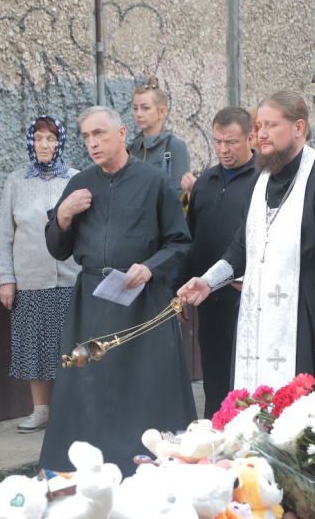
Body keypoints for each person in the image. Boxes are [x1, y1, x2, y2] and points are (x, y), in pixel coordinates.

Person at [177, 90, 315, 403]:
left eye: (270, 125)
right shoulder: (258, 180)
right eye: (258, 125)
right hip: (259, 316)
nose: (260, 133)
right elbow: (241, 248)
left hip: (311, 314)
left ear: (298, 128)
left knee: (311, 413)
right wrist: (208, 281)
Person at [39, 106, 195, 475]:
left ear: (122, 133)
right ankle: (85, 467)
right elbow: (58, 248)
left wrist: (150, 267)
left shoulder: (155, 181)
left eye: (100, 134)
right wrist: (62, 215)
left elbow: (179, 241)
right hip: (91, 299)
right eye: (86, 137)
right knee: (89, 383)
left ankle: (148, 466)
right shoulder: (79, 185)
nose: (92, 143)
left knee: (145, 381)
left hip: (142, 299)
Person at [0, 116, 80, 433]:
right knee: (35, 346)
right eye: (39, 138)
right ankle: (40, 410)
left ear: (60, 143)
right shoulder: (16, 182)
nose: (44, 145)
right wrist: (7, 279)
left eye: (51, 139)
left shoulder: (75, 179)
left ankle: (71, 411)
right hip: (29, 281)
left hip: (70, 279)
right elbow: (4, 236)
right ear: (31, 142)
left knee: (70, 347)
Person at [175, 107, 258, 418]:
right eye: (218, 141)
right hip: (207, 298)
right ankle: (215, 447)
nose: (224, 149)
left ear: (250, 138)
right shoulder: (205, 183)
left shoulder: (263, 180)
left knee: (246, 385)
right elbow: (190, 242)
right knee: (215, 384)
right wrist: (179, 291)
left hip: (246, 298)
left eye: (232, 142)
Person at [128, 77, 191, 199]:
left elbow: (179, 195)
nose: (138, 114)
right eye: (135, 108)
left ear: (162, 112)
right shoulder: (131, 150)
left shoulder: (174, 147)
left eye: (145, 108)